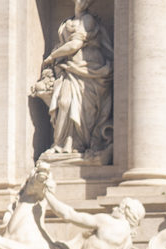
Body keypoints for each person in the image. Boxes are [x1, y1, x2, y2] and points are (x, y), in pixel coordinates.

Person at [38, 0, 114, 156]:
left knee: (84, 109)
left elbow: (75, 45)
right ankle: (61, 144)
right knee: (64, 103)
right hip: (69, 69)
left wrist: (52, 56)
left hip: (88, 70)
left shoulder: (88, 20)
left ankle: (77, 145)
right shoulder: (68, 21)